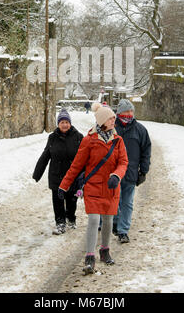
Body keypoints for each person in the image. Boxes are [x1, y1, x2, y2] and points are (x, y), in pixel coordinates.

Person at [58, 102, 128, 274]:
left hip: (111, 188)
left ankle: (105, 251)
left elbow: (123, 162)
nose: (114, 121)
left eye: (113, 118)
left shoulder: (118, 141)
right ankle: (90, 257)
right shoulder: (89, 140)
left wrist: (116, 176)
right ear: (102, 120)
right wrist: (64, 185)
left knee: (108, 221)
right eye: (111, 118)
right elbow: (76, 165)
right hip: (93, 187)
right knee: (94, 219)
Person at [32, 109, 83, 235]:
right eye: (62, 122)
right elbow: (45, 155)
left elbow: (84, 157)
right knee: (58, 201)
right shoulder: (52, 138)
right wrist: (37, 174)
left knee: (72, 201)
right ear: (58, 124)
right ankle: (60, 223)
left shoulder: (78, 137)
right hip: (56, 175)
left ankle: (71, 218)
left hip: (72, 176)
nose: (64, 124)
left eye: (66, 122)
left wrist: (85, 174)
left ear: (70, 123)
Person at [113, 99, 151, 243]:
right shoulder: (112, 127)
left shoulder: (140, 130)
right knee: (115, 200)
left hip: (130, 172)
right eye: (126, 111)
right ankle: (115, 222)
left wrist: (144, 170)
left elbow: (146, 150)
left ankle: (123, 230)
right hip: (114, 173)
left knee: (127, 202)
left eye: (131, 111)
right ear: (119, 113)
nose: (129, 114)